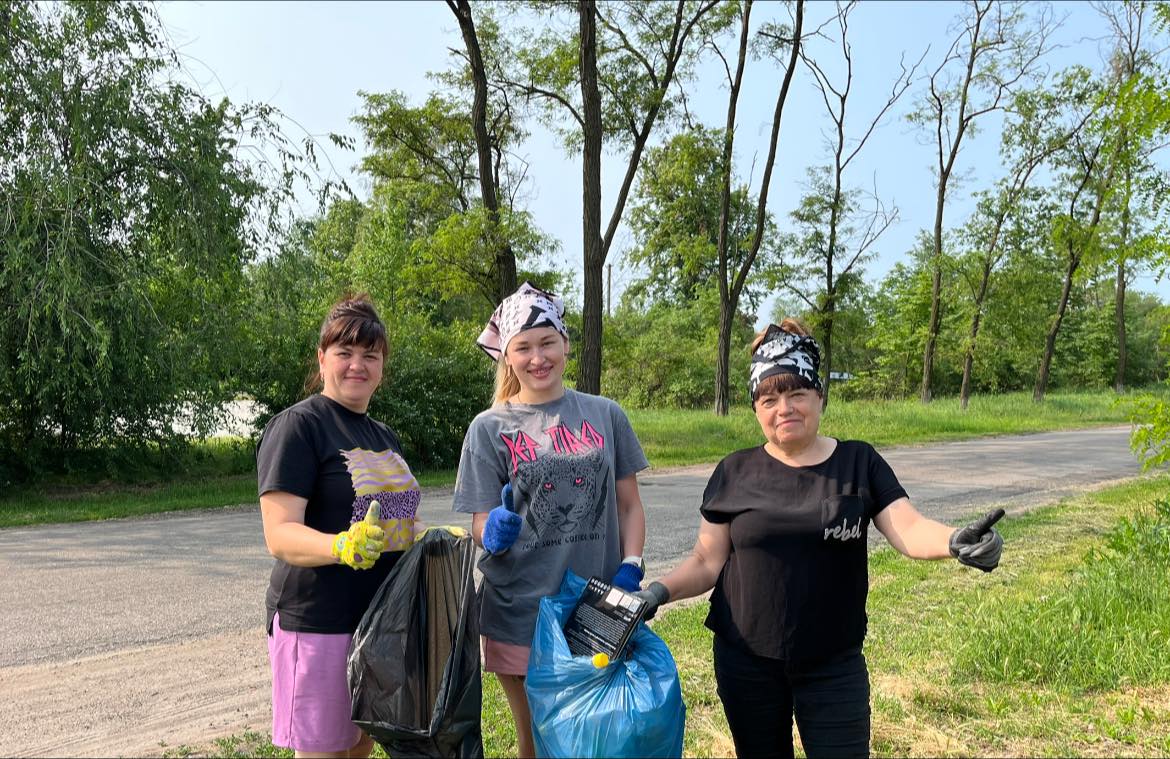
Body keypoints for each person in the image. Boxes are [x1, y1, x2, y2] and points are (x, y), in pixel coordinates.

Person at [634, 318, 1004, 759]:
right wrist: (657, 592)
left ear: (819, 396)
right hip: (745, 660)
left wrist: (954, 541)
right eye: (769, 399)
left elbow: (907, 527)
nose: (784, 408)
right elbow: (705, 560)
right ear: (756, 409)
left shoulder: (858, 462)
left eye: (797, 394)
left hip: (833, 661)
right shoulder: (734, 471)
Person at [452, 282, 650, 758]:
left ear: (566, 344)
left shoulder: (605, 414)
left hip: (596, 609)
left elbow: (629, 504)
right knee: (538, 742)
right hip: (519, 610)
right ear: (507, 356)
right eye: (523, 347)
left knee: (598, 741)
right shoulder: (488, 427)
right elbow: (480, 522)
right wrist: (491, 530)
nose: (537, 358)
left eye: (547, 343)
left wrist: (631, 564)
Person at [257, 297, 422, 759]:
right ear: (321, 358)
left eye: (370, 354)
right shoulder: (299, 427)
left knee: (360, 745)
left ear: (382, 365)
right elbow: (279, 533)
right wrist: (341, 545)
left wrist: (428, 540)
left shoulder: (383, 435)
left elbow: (394, 520)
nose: (357, 365)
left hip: (378, 622)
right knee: (325, 752)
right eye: (344, 352)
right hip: (318, 623)